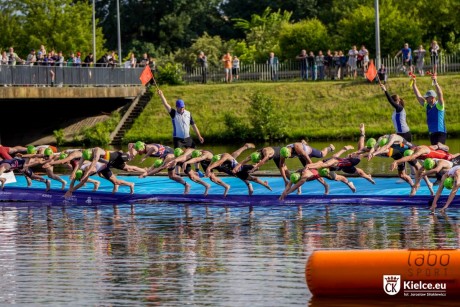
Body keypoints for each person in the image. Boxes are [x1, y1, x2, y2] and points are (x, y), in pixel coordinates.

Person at [411, 74, 446, 144]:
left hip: (440, 132)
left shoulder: (439, 105)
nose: (426, 99)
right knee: (434, 152)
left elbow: (440, 95)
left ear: (432, 97)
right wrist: (414, 84)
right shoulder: (427, 105)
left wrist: (436, 83)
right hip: (431, 132)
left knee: (439, 149)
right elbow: (418, 96)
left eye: (427, 97)